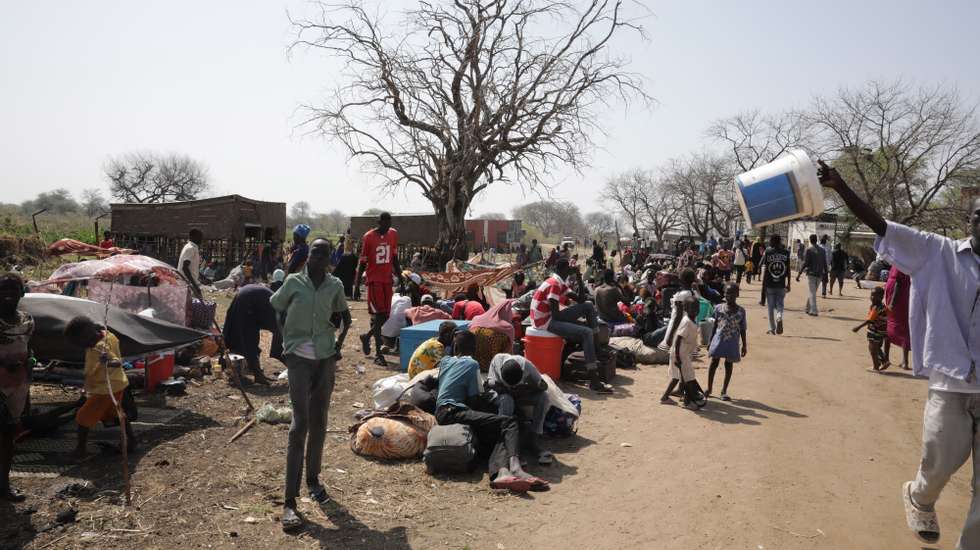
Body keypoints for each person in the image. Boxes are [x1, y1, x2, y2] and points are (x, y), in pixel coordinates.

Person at [819, 159, 979, 547]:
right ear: (970, 221)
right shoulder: (938, 253)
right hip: (952, 382)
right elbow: (883, 227)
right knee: (939, 462)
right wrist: (840, 187)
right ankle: (920, 496)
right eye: (979, 216)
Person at [269, 238, 352, 531]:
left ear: (330, 258)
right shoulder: (293, 282)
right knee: (299, 424)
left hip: (325, 359)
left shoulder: (335, 286)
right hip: (299, 359)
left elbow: (346, 318)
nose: (318, 257)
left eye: (324, 253)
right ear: (308, 256)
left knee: (320, 421)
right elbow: (276, 307)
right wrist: (284, 342)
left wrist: (339, 345)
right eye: (314, 253)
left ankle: (313, 480)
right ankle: (290, 502)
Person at [434, 330, 548, 493]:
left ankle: (501, 473)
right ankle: (515, 467)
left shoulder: (445, 361)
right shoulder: (472, 364)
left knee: (498, 428)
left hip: (442, 410)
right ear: (474, 349)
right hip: (453, 410)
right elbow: (474, 400)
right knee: (508, 422)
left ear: (454, 346)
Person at [530, 258, 612, 394]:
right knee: (586, 332)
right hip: (544, 322)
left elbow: (580, 299)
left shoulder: (558, 282)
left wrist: (579, 277)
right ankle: (594, 381)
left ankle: (597, 348)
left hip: (548, 318)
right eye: (569, 269)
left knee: (588, 306)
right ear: (564, 270)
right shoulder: (554, 284)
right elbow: (556, 316)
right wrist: (576, 323)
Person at [64, 316, 137, 459]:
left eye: (80, 343)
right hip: (117, 384)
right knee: (117, 413)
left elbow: (117, 362)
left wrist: (107, 361)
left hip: (105, 389)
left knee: (82, 416)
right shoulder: (108, 335)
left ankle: (81, 449)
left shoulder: (100, 347)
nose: (82, 347)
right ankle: (132, 440)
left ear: (86, 336)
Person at [0, 273, 33, 501]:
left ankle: (4, 485)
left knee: (8, 437)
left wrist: (31, 361)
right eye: (3, 290)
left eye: (13, 289)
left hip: (18, 386)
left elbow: (27, 348)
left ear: (22, 292)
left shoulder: (27, 321)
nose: (8, 294)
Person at [486, 353, 552, 465]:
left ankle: (533, 440)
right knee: (507, 400)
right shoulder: (497, 360)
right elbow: (490, 383)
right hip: (502, 395)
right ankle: (506, 445)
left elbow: (543, 386)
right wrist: (506, 390)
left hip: (521, 394)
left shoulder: (527, 366)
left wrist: (528, 387)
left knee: (543, 398)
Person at [355, 212, 403, 367]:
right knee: (378, 316)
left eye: (389, 223)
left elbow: (394, 258)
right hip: (374, 280)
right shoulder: (368, 237)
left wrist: (401, 279)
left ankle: (367, 336)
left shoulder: (393, 234)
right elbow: (362, 262)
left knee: (385, 316)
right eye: (384, 223)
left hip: (387, 281)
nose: (387, 226)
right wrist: (356, 285)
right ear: (379, 222)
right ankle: (378, 353)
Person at [222, 284, 281, 386]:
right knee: (248, 339)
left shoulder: (281, 316)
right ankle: (255, 375)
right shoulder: (281, 320)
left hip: (249, 296)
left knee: (242, 336)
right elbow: (278, 350)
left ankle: (251, 370)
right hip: (248, 301)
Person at [659, 292, 703, 409]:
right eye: (692, 308)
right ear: (686, 309)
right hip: (679, 354)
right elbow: (678, 339)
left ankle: (668, 396)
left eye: (697, 308)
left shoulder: (692, 321)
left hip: (684, 354)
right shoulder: (686, 322)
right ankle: (687, 402)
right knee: (686, 377)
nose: (695, 310)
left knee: (682, 376)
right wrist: (678, 357)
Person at [705, 283, 747, 401]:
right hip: (718, 341)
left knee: (728, 365)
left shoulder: (741, 311)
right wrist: (709, 340)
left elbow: (743, 329)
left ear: (737, 294)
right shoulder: (718, 308)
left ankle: (724, 391)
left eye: (732, 293)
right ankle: (709, 388)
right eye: (727, 293)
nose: (729, 295)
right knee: (714, 362)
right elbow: (714, 326)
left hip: (732, 343)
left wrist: (744, 345)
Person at [469, 300, 516, 371]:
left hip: (472, 365)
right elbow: (508, 353)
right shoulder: (507, 328)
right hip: (492, 368)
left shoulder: (476, 319)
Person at [851, 287, 890, 372]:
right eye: (871, 295)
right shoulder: (882, 305)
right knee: (876, 347)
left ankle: (876, 366)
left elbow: (870, 320)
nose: (872, 297)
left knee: (873, 348)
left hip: (875, 330)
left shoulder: (876, 307)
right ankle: (884, 361)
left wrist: (858, 327)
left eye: (875, 296)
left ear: (881, 297)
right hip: (882, 330)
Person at [761, 234, 791, 334]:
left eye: (770, 241)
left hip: (770, 283)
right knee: (780, 304)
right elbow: (788, 270)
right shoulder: (786, 253)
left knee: (770, 306)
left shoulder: (768, 252)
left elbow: (766, 270)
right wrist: (789, 284)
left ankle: (772, 328)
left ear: (773, 241)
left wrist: (764, 284)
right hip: (781, 283)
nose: (769, 242)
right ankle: (779, 317)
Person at [884, 266, 912, 370]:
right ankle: (905, 361)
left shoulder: (899, 263)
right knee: (903, 327)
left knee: (890, 327)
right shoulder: (902, 261)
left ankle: (886, 358)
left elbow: (898, 284)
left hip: (897, 299)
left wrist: (892, 302)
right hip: (901, 297)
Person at [797, 234, 827, 316]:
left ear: (810, 240)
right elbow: (825, 263)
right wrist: (826, 274)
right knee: (813, 292)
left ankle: (814, 311)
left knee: (812, 292)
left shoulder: (809, 250)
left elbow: (805, 263)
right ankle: (807, 308)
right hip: (820, 274)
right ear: (816, 240)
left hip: (811, 274)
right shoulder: (822, 250)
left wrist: (799, 273)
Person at [179, 229, 204, 296]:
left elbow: (192, 267)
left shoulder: (190, 247)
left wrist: (203, 277)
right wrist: (195, 286)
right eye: (199, 237)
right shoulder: (191, 248)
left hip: (188, 283)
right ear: (193, 237)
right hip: (187, 284)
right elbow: (185, 268)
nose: (201, 239)